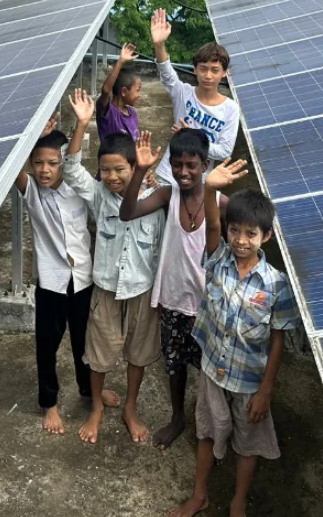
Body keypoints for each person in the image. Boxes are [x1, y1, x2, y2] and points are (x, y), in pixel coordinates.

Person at [171, 161, 300, 517]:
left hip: (249, 380)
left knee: (248, 443)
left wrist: (266, 391)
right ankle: (200, 494)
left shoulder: (276, 285)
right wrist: (210, 188)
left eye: (251, 234)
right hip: (213, 369)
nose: (241, 240)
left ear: (266, 237)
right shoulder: (218, 260)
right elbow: (212, 223)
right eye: (236, 231)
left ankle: (237, 502)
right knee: (207, 431)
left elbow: (277, 340)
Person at [119, 129, 237, 451]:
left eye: (191, 165)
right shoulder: (167, 196)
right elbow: (127, 213)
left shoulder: (220, 202)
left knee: (211, 372)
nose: (183, 172)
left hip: (206, 307)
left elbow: (249, 231)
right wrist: (140, 170)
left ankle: (213, 424)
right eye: (177, 165)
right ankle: (177, 417)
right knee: (175, 365)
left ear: (206, 164)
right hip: (172, 300)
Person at [63, 88, 165, 445]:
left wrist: (153, 174)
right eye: (105, 170)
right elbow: (71, 168)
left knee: (140, 351)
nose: (111, 176)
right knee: (99, 353)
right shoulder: (97, 195)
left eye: (119, 169)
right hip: (105, 287)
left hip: (142, 288)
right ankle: (96, 408)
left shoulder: (156, 197)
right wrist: (83, 123)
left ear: (136, 167)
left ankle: (131, 407)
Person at [14, 115, 118, 435]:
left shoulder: (80, 191)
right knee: (47, 344)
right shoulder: (32, 192)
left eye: (52, 163)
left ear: (63, 164)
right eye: (38, 163)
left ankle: (90, 390)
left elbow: (77, 163)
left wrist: (81, 126)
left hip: (83, 279)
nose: (45, 169)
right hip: (51, 284)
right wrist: (32, 135)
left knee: (84, 343)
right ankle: (50, 403)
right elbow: (12, 167)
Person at [151, 8, 240, 186]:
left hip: (199, 183)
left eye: (215, 70)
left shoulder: (231, 109)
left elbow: (224, 151)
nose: (208, 75)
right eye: (203, 68)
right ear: (195, 69)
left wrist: (191, 137)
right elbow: (167, 73)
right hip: (168, 176)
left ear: (224, 73)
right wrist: (159, 45)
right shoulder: (183, 92)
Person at [96, 42, 141, 143]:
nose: (139, 95)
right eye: (137, 90)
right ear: (124, 91)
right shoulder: (108, 111)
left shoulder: (132, 113)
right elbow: (106, 91)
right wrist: (121, 61)